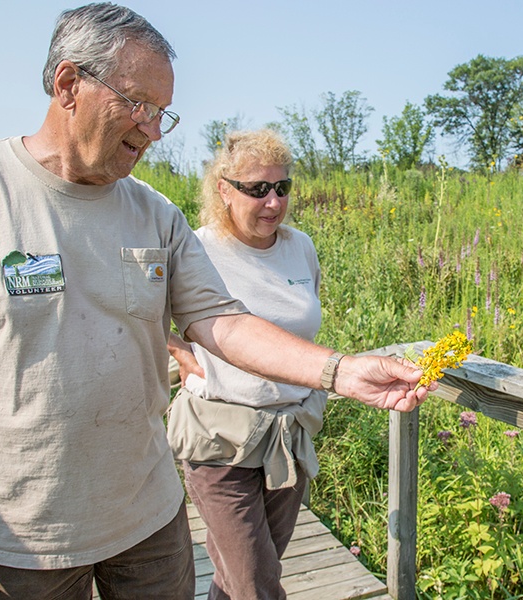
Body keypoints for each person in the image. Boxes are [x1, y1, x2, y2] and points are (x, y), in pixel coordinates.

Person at [0, 4, 431, 599]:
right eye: (138, 104)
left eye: (161, 114)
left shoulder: (152, 213)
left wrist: (342, 372)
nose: (150, 129)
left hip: (148, 518)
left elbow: (219, 320)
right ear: (69, 85)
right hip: (19, 539)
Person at [165, 128, 324, 599]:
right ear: (224, 189)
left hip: (288, 435)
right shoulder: (196, 248)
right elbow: (135, 310)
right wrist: (176, 349)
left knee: (241, 574)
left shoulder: (301, 247)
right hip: (220, 438)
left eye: (282, 188)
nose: (273, 202)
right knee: (257, 582)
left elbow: (302, 323)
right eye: (257, 190)